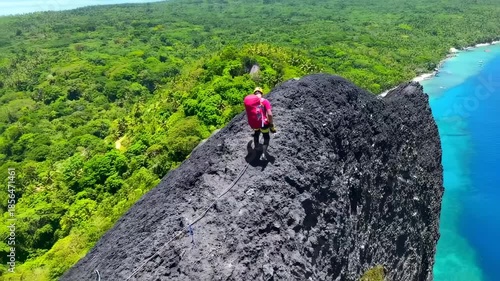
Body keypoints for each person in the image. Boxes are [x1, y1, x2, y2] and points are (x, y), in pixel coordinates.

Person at [243, 87, 276, 160]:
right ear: (261, 93)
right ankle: (264, 153)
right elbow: (270, 114)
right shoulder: (265, 101)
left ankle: (257, 147)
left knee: (256, 133)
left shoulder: (252, 102)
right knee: (266, 137)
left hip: (255, 123)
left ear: (254, 94)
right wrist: (271, 125)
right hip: (263, 124)